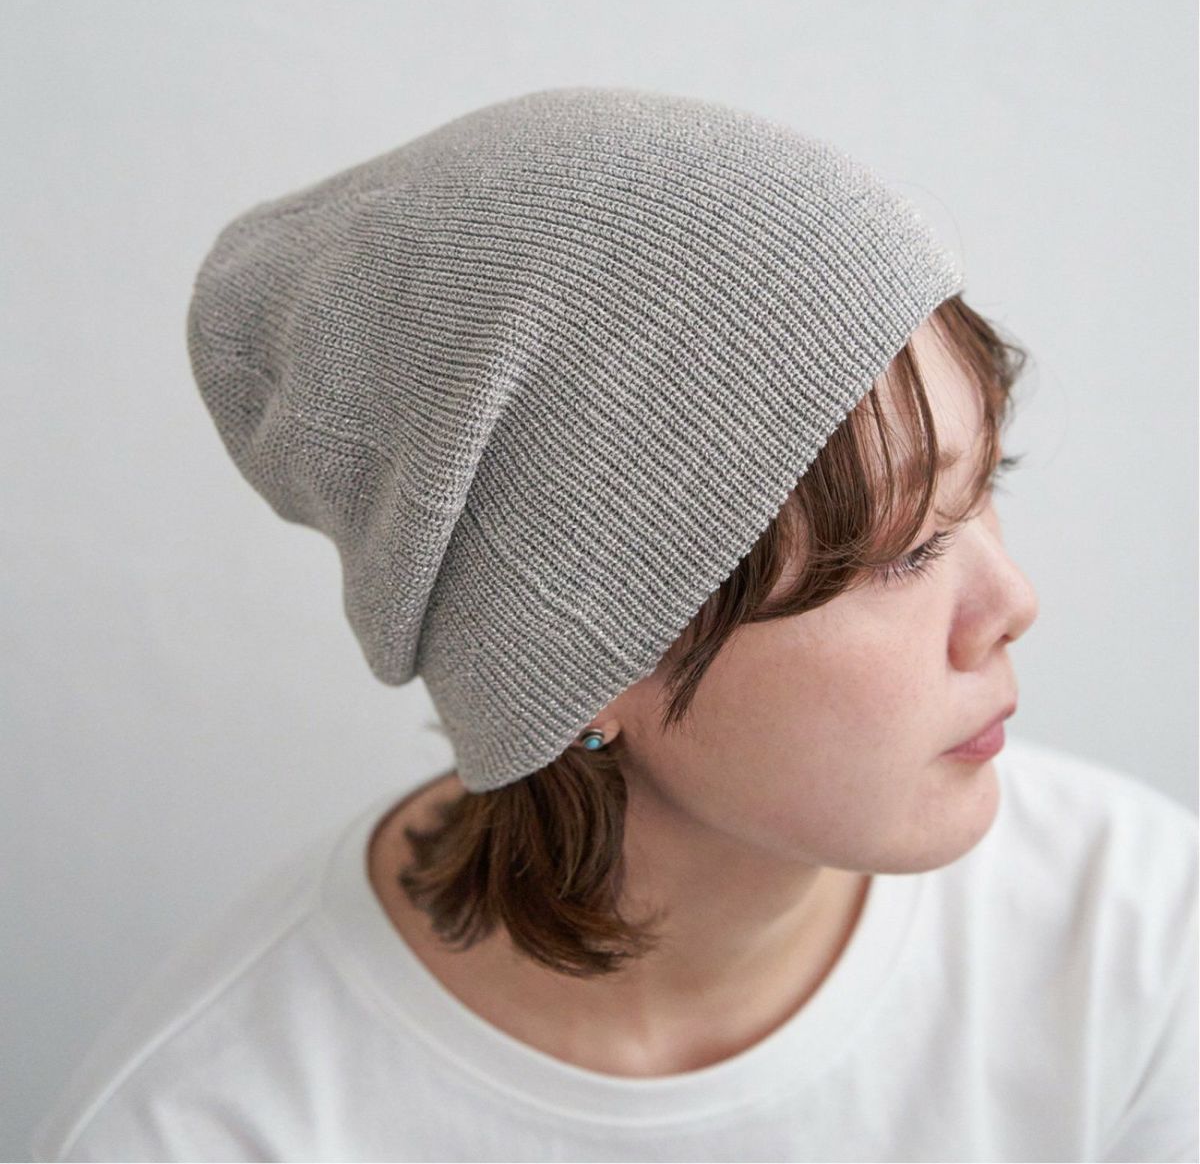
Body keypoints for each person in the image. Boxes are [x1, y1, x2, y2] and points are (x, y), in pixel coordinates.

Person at [32, 88, 1197, 1162]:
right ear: (582, 661)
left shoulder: (1131, 936)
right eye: (903, 552)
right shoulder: (209, 1128)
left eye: (984, 485)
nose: (1013, 604)